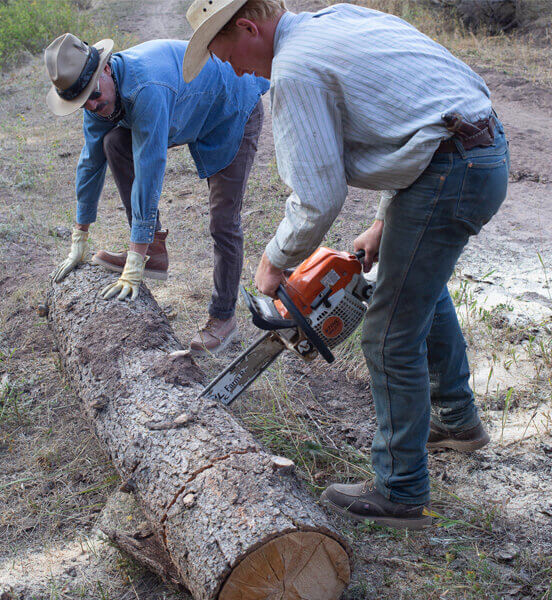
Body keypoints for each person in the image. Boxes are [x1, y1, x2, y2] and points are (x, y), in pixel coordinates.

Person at [183, 0, 510, 529]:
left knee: (386, 333)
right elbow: (422, 108)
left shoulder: (293, 69)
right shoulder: (337, 18)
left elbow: (317, 197)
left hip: (452, 171)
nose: (238, 70)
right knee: (414, 285)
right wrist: (385, 224)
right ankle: (456, 418)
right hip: (479, 148)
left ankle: (401, 490)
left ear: (248, 27)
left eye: (231, 56)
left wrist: (274, 262)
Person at [45, 33, 268, 354]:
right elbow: (90, 164)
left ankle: (223, 317)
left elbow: (150, 171)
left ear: (106, 69)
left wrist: (133, 262)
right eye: (83, 103)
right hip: (188, 108)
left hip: (230, 107)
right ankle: (154, 250)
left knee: (223, 221)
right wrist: (79, 238)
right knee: (113, 143)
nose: (93, 106)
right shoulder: (95, 99)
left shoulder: (147, 88)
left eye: (94, 96)